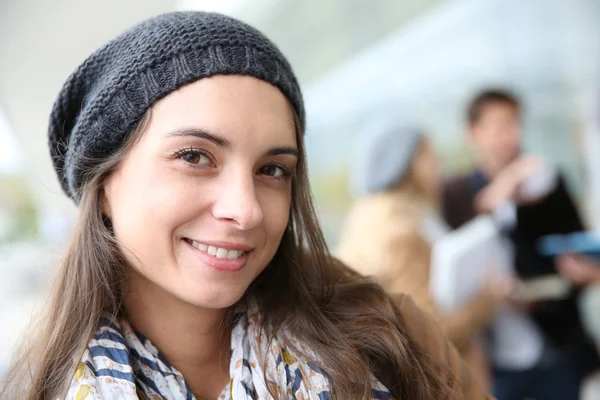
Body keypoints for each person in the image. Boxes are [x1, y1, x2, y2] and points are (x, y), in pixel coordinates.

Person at [0, 12, 490, 400]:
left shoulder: (388, 332)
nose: (247, 210)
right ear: (105, 185)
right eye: (194, 157)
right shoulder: (38, 388)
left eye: (272, 169)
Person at [443, 89, 598, 400]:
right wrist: (499, 193)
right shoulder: (455, 194)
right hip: (495, 358)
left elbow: (580, 253)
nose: (511, 135)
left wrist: (582, 272)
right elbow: (451, 266)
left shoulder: (548, 186)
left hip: (558, 344)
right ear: (473, 133)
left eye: (515, 123)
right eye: (500, 125)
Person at [337, 121, 509, 389]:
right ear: (406, 164)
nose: (439, 165)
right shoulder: (398, 231)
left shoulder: (373, 217)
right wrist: (484, 302)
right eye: (430, 156)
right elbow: (427, 333)